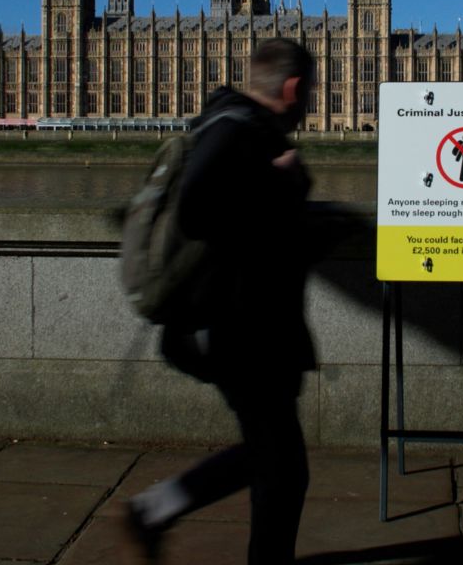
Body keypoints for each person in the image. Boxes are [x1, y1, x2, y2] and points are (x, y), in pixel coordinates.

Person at [128, 37, 317, 564]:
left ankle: (158, 508)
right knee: (279, 462)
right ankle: (157, 508)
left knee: (272, 459)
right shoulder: (236, 128)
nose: (310, 105)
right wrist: (280, 184)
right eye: (310, 93)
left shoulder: (234, 122)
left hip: (244, 326)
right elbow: (199, 205)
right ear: (293, 88)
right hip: (234, 326)